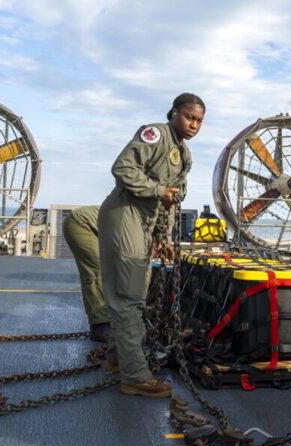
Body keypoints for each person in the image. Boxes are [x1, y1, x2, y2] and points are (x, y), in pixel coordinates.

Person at [98, 93, 205, 398]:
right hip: (125, 215)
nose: (194, 125)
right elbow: (122, 169)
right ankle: (134, 376)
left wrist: (163, 238)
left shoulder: (184, 156)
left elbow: (170, 202)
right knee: (128, 297)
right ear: (174, 114)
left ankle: (117, 360)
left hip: (145, 223)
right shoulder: (155, 134)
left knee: (135, 294)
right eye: (189, 117)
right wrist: (158, 189)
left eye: (199, 121)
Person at [62, 206, 110, 342]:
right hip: (80, 224)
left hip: (93, 226)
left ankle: (107, 318)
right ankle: (100, 326)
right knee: (97, 271)